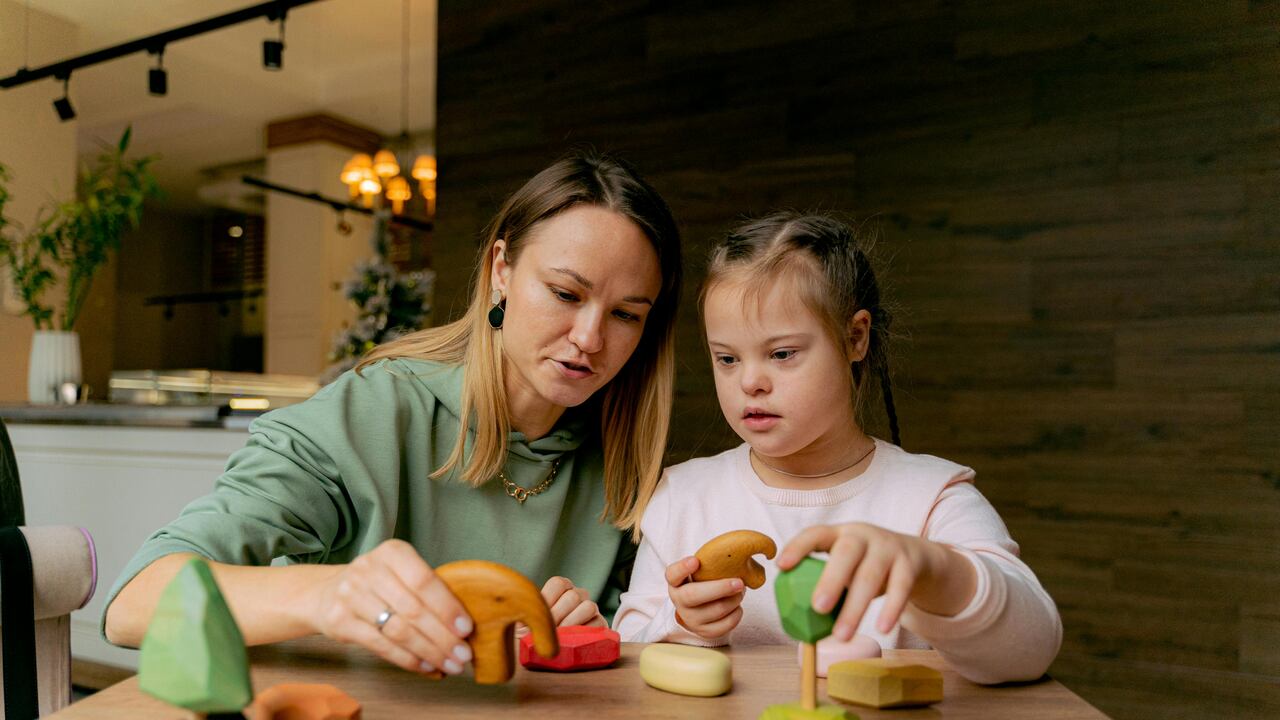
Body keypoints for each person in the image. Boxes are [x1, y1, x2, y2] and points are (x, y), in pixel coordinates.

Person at [104, 152, 683, 678]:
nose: (589, 338)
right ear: (501, 270)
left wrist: (579, 634)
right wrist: (330, 594)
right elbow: (135, 604)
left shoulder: (625, 464)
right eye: (565, 293)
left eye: (626, 315)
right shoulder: (370, 414)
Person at [613, 212, 1061, 684]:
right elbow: (628, 655)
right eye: (727, 358)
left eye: (782, 354)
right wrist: (683, 624)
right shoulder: (682, 497)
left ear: (855, 337)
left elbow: (1031, 651)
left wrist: (936, 571)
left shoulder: (932, 498)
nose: (750, 382)